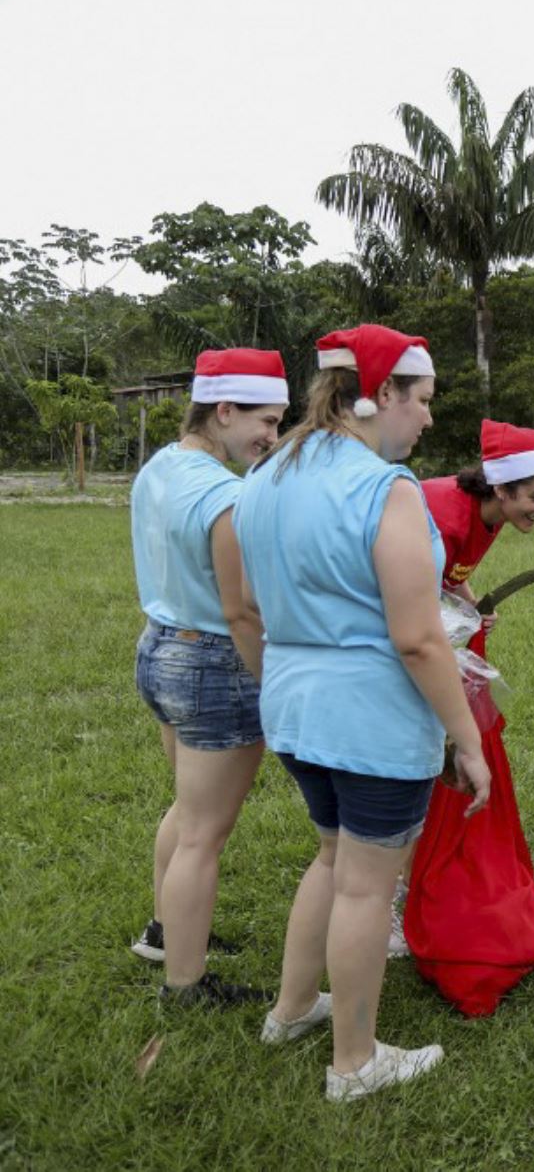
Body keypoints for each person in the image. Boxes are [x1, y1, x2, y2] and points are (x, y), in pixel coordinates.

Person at [235, 324, 491, 1103]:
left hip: (295, 706)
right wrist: (468, 737)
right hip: (370, 720)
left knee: (331, 858)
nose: (428, 419)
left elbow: (247, 605)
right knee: (364, 887)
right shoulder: (388, 489)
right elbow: (417, 637)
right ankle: (354, 1061)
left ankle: (291, 1010)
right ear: (380, 397)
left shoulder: (267, 475)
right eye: (423, 401)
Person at [128, 349, 288, 1006]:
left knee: (186, 810)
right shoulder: (228, 495)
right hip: (213, 662)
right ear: (223, 410)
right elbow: (242, 608)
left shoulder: (158, 467)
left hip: (158, 647)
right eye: (266, 421)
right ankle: (185, 984)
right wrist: (271, 684)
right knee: (205, 833)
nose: (272, 438)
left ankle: (166, 933)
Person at [400, 419, 534, 1014]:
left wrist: (470, 610)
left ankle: (409, 884)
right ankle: (397, 899)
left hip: (437, 638)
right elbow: (405, 598)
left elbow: (451, 580)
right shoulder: (440, 514)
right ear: (502, 488)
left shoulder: (488, 518)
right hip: (399, 650)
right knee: (420, 771)